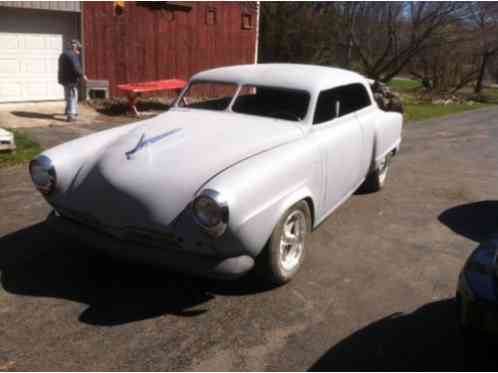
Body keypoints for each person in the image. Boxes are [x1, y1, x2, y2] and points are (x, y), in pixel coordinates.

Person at [58, 39, 87, 122]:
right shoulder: (73, 55)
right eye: (78, 49)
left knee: (68, 95)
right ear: (75, 48)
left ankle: (68, 111)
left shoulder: (63, 54)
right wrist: (83, 75)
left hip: (64, 79)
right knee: (72, 96)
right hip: (71, 80)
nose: (79, 51)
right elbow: (76, 68)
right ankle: (71, 115)